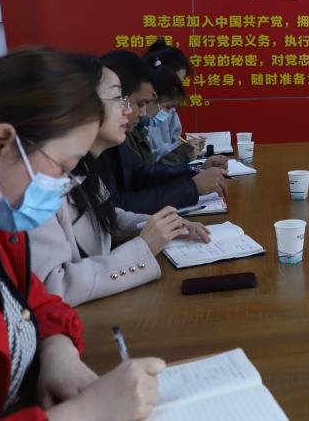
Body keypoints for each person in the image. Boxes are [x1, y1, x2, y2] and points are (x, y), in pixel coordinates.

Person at [0, 49, 164, 420]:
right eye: (63, 168)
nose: (64, 185)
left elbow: (35, 299)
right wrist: (87, 413)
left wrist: (58, 352)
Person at [28, 59, 211, 307]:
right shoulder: (35, 183)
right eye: (118, 99)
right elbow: (53, 286)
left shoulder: (84, 164)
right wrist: (143, 247)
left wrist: (161, 226)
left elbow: (106, 214)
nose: (131, 111)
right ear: (78, 106)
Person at [97, 51, 226, 214]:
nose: (142, 113)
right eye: (140, 103)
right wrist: (191, 188)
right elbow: (115, 207)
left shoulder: (116, 141)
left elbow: (141, 174)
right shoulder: (86, 153)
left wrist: (195, 173)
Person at [142, 41, 205, 160]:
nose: (177, 88)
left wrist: (186, 148)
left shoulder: (166, 109)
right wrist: (182, 152)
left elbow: (175, 141)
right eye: (175, 82)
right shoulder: (135, 117)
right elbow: (145, 160)